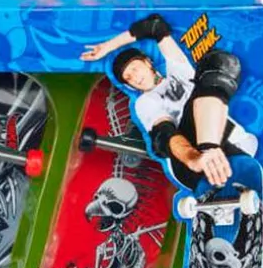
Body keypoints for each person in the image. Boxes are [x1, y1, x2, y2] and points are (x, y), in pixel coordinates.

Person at [81, 14, 257, 190]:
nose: (134, 77)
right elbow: (165, 133)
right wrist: (193, 157)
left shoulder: (179, 71)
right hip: (189, 161)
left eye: (135, 68)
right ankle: (208, 153)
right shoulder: (144, 102)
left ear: (147, 62)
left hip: (235, 144)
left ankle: (216, 156)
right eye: (128, 78)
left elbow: (155, 26)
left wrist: (106, 47)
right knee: (187, 113)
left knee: (220, 62)